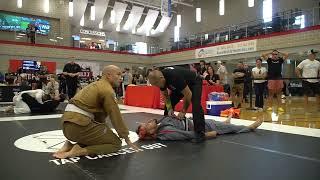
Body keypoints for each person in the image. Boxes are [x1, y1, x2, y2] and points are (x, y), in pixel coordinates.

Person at [53, 65, 139, 159]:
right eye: (118, 74)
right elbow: (115, 115)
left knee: (101, 136)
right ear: (108, 75)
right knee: (116, 143)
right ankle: (79, 151)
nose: (120, 78)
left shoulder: (94, 85)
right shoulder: (107, 90)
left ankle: (70, 145)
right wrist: (126, 138)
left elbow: (99, 117)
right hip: (79, 126)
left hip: (67, 126)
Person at [148, 66, 205, 143]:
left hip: (194, 82)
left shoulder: (173, 77)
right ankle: (167, 125)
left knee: (196, 106)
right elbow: (165, 95)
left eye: (156, 84)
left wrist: (183, 111)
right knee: (168, 107)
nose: (157, 86)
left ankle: (200, 133)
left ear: (162, 78)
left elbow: (188, 94)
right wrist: (169, 108)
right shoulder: (160, 79)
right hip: (180, 84)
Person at [136, 114, 263, 141]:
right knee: (232, 129)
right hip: (203, 128)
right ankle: (250, 127)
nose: (148, 122)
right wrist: (207, 135)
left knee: (215, 122)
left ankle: (225, 123)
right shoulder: (165, 132)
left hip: (196, 121)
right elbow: (186, 135)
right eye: (146, 125)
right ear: (150, 132)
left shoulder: (161, 123)